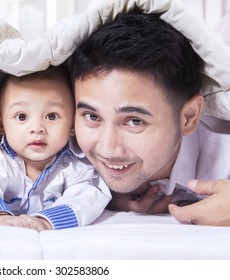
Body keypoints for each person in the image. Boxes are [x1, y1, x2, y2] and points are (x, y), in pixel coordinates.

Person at [70, 10, 230, 226]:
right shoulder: (53, 153)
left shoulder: (224, 163)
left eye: (134, 121)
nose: (107, 150)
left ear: (189, 118)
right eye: (91, 116)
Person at [0, 66, 111, 231]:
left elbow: (87, 198)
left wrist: (46, 222)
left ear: (73, 124)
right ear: (0, 124)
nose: (37, 128)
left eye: (51, 116)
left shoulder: (77, 163)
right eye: (22, 117)